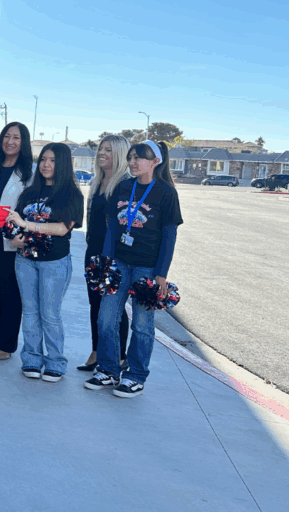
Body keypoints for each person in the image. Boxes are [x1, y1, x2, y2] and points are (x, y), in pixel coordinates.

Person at [84, 140, 182, 398]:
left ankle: (135, 376)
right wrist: (106, 261)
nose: (133, 162)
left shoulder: (166, 193)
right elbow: (112, 227)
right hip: (119, 263)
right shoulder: (123, 186)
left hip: (147, 268)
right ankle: (108, 370)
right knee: (106, 318)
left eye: (140, 158)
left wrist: (161, 273)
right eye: (131, 157)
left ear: (155, 161)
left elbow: (169, 235)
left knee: (142, 324)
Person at [5, 143, 84, 382]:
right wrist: (13, 238)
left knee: (50, 314)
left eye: (52, 160)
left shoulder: (71, 194)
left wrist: (27, 225)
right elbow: (12, 221)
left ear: (62, 165)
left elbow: (62, 228)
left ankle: (56, 362)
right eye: (43, 160)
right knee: (29, 313)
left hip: (54, 262)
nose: (46, 164)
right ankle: (31, 359)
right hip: (25, 260)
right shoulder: (29, 192)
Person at [0, 122, 34, 361]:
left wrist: (23, 234)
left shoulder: (29, 171)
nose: (10, 141)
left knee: (9, 291)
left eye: (17, 138)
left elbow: (30, 206)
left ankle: (7, 344)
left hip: (10, 239)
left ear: (24, 143)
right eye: (7, 136)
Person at [77, 135, 131, 372]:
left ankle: (119, 356)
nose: (102, 153)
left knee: (114, 306)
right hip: (94, 251)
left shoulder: (126, 184)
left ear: (119, 154)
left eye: (108, 150)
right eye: (101, 149)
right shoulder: (97, 182)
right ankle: (97, 351)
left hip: (115, 254)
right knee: (95, 303)